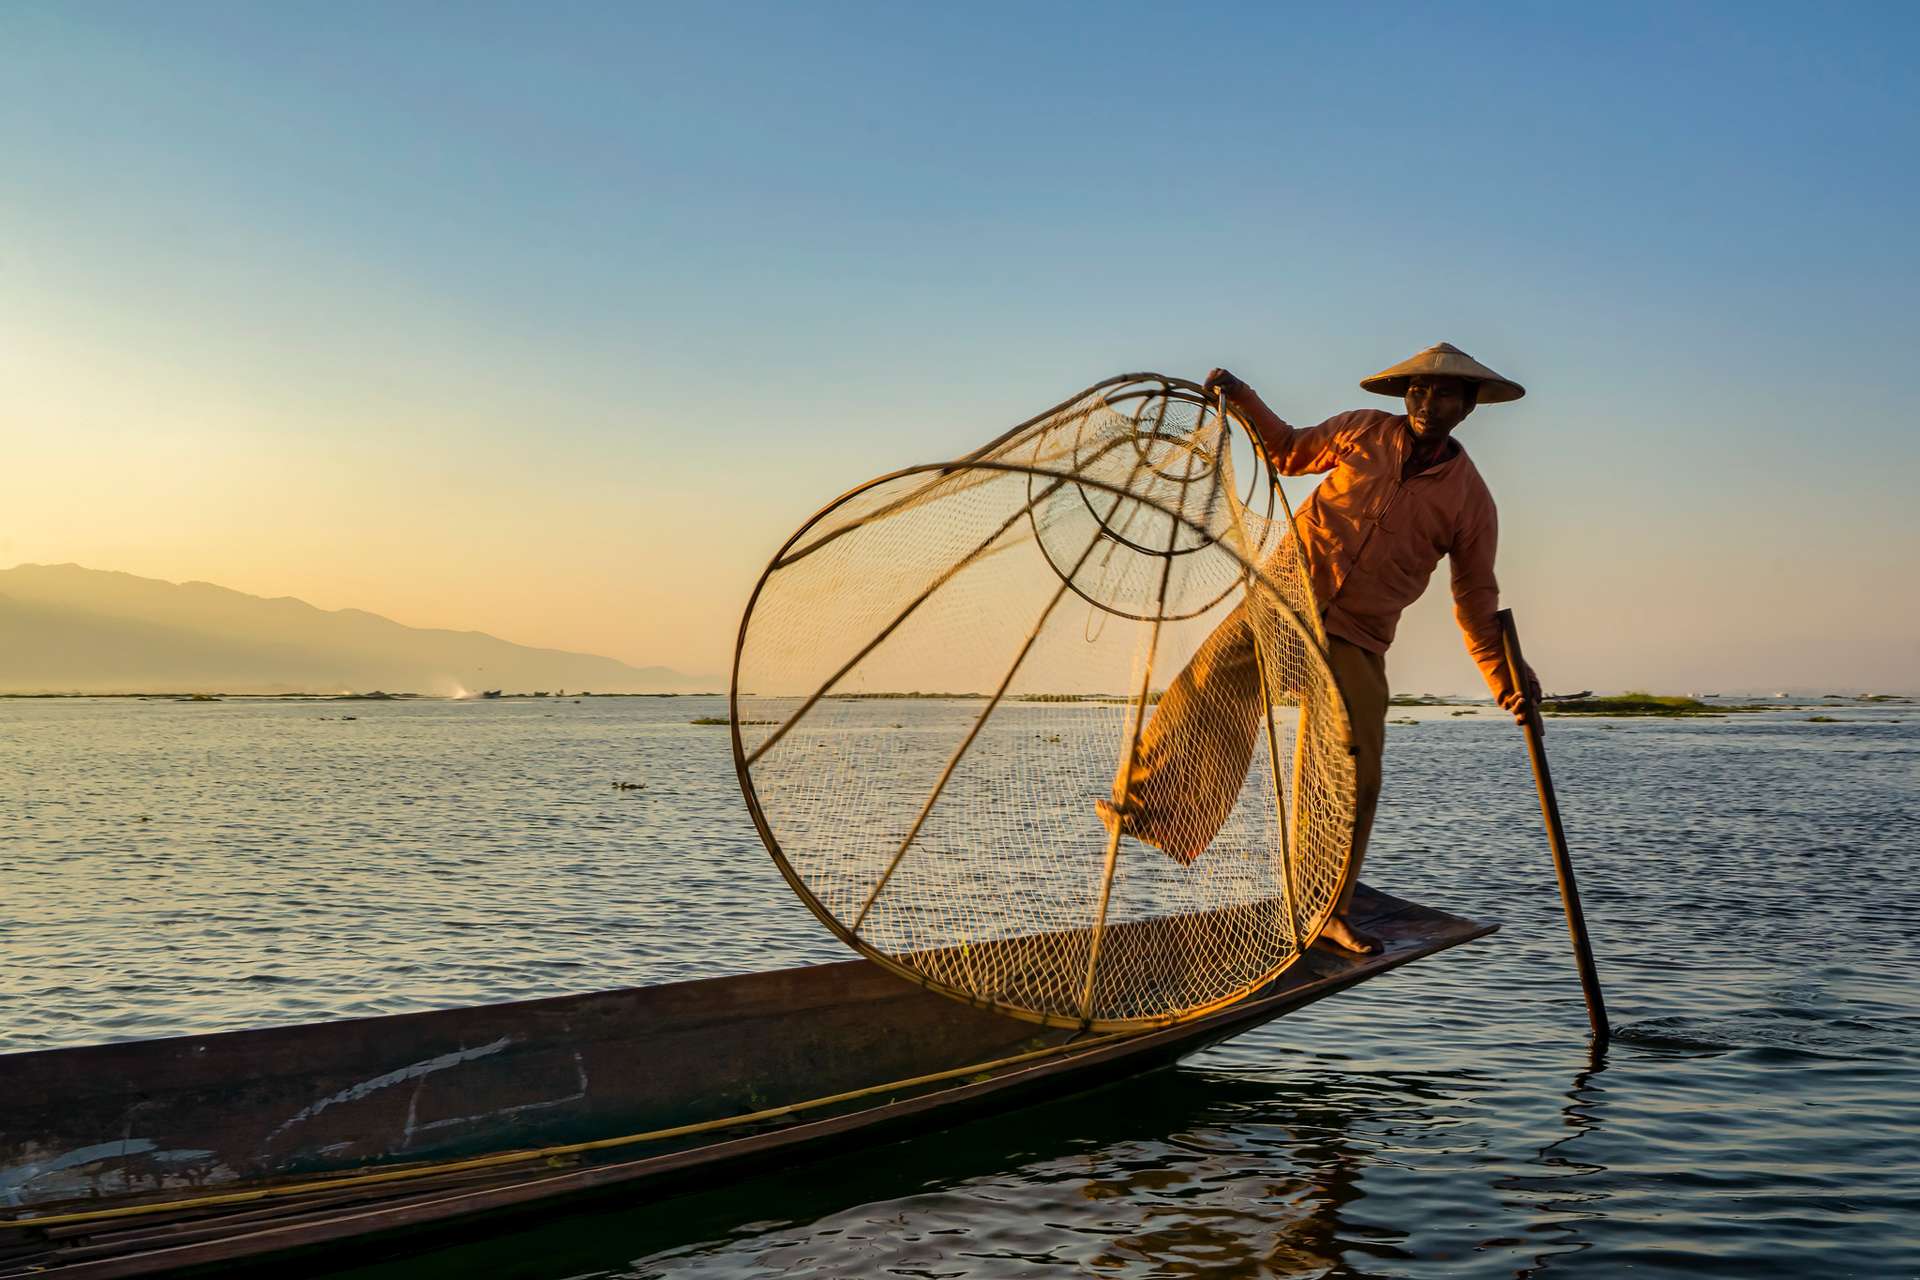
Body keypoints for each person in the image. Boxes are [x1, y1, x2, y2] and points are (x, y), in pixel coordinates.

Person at [1100, 342, 1541, 955]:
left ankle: (1324, 908)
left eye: (1443, 393)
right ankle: (1147, 810)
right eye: (1418, 390)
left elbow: (1474, 599)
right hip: (1283, 601)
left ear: (1468, 406)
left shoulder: (1470, 500)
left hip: (1359, 636)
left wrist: (1508, 680)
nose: (1427, 402)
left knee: (1351, 773)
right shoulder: (1361, 431)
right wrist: (1244, 396)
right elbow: (1286, 451)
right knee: (1203, 691)